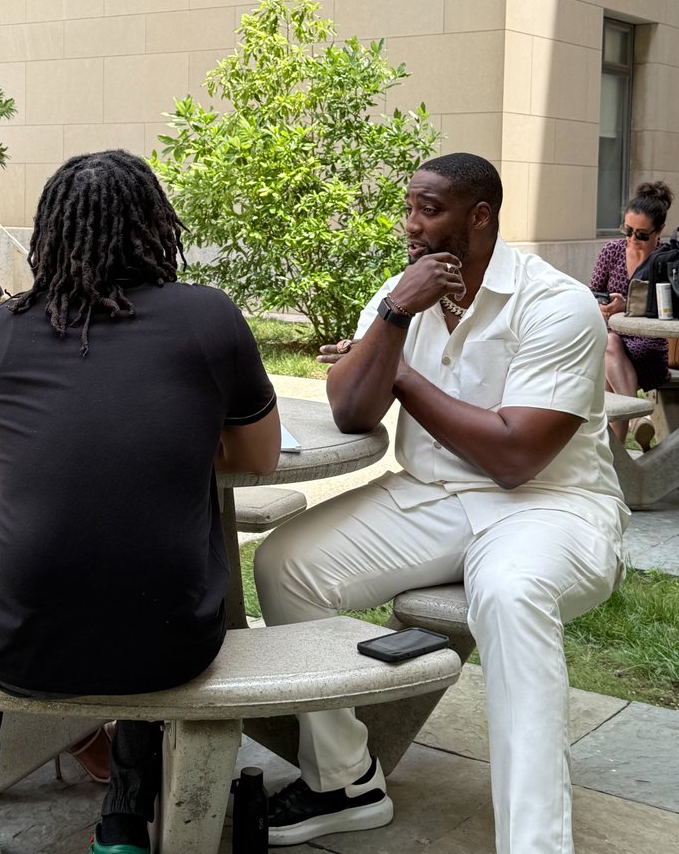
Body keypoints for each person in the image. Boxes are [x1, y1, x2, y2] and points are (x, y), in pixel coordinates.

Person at [254, 153, 627, 854]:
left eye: (430, 210)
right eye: (409, 208)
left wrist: (393, 370)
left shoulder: (558, 305)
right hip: (430, 497)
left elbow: (515, 457)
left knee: (510, 595)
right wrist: (394, 316)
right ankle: (345, 779)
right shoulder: (405, 294)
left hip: (551, 506)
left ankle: (536, 844)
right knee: (285, 564)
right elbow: (351, 410)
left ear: (479, 216)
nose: (411, 226)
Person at [0, 149, 280, 854]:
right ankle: (123, 817)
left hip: (16, 648)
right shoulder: (207, 316)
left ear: (49, 234)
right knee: (146, 575)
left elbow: (44, 442)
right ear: (157, 225)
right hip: (173, 646)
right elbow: (257, 458)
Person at [590, 180, 674, 445]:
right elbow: (592, 293)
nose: (631, 239)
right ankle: (626, 434)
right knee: (610, 345)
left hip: (649, 349)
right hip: (611, 347)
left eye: (641, 234)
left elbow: (672, 308)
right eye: (627, 230)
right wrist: (603, 307)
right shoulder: (612, 251)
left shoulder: (668, 259)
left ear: (659, 231)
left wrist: (626, 307)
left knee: (609, 349)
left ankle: (617, 450)